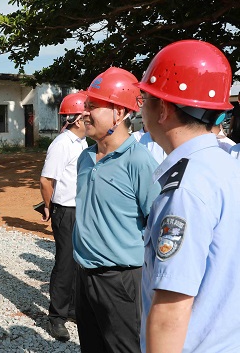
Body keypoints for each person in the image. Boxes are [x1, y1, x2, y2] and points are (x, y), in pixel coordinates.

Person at [137, 39, 240, 352]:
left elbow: (171, 310)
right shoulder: (227, 165)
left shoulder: (186, 188)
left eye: (145, 99)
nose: (140, 109)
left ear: (165, 108)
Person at [72, 67, 161, 353]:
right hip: (84, 274)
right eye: (86, 106)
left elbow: (156, 223)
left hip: (121, 279)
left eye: (93, 106)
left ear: (119, 113)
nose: (84, 113)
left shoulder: (139, 162)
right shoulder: (85, 157)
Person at [39, 91, 88, 341]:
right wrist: (49, 207)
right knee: (65, 264)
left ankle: (70, 308)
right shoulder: (62, 144)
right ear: (78, 120)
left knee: (78, 264)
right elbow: (47, 180)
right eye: (87, 114)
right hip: (65, 210)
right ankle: (56, 317)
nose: (91, 118)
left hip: (80, 209)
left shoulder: (82, 142)